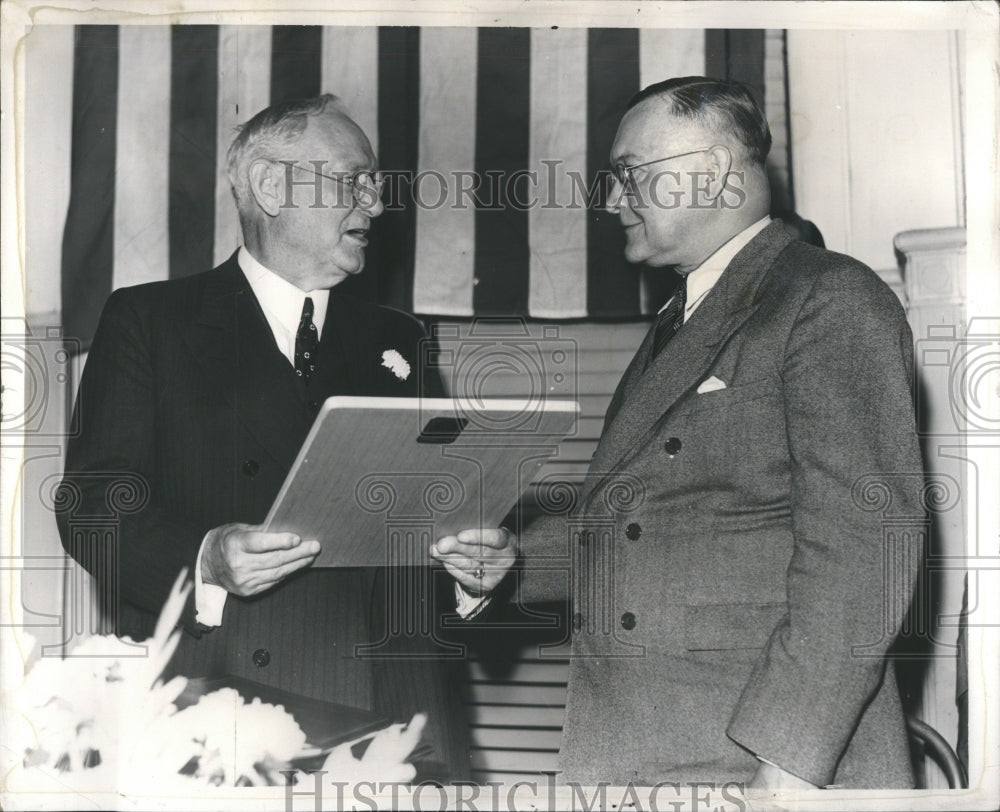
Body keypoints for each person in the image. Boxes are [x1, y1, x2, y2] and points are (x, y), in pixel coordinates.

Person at [433, 77, 924, 789]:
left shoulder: (828, 297)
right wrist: (513, 563)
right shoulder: (683, 316)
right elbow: (650, 524)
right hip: (658, 748)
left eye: (630, 174)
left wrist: (787, 762)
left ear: (717, 172)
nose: (609, 201)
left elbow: (865, 546)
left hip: (762, 757)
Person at [56, 94, 469, 780]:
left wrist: (472, 567)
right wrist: (205, 559)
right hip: (221, 709)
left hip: (392, 716)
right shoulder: (150, 321)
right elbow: (93, 506)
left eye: (374, 184)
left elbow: (434, 512)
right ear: (270, 186)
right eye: (352, 180)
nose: (373, 203)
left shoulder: (399, 338)